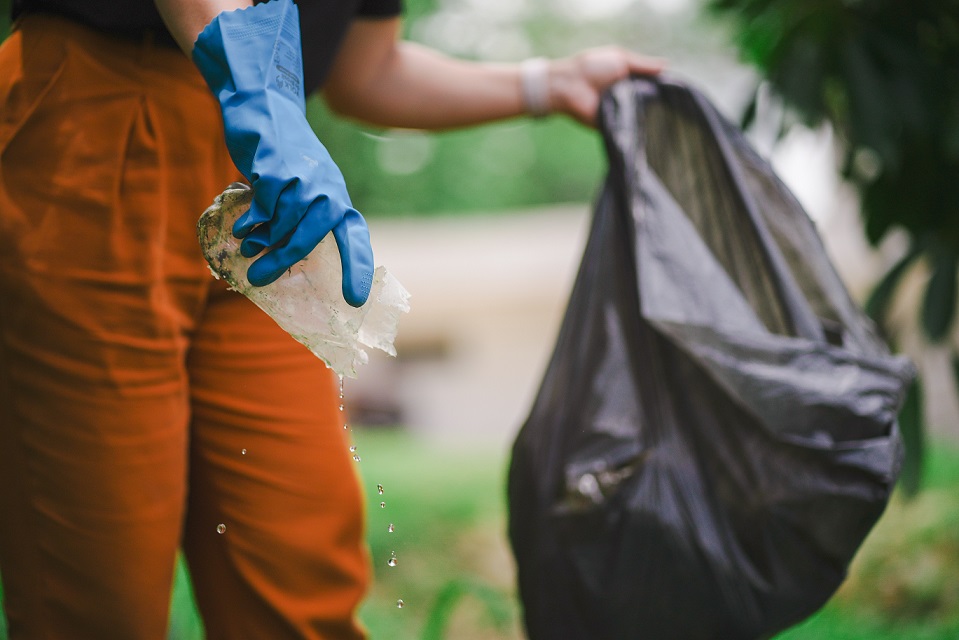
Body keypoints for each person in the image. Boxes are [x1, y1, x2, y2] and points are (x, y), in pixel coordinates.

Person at [0, 0, 663, 637]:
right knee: (97, 597)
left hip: (263, 189)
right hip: (94, 118)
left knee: (299, 571)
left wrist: (547, 82)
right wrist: (258, 98)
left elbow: (364, 70)